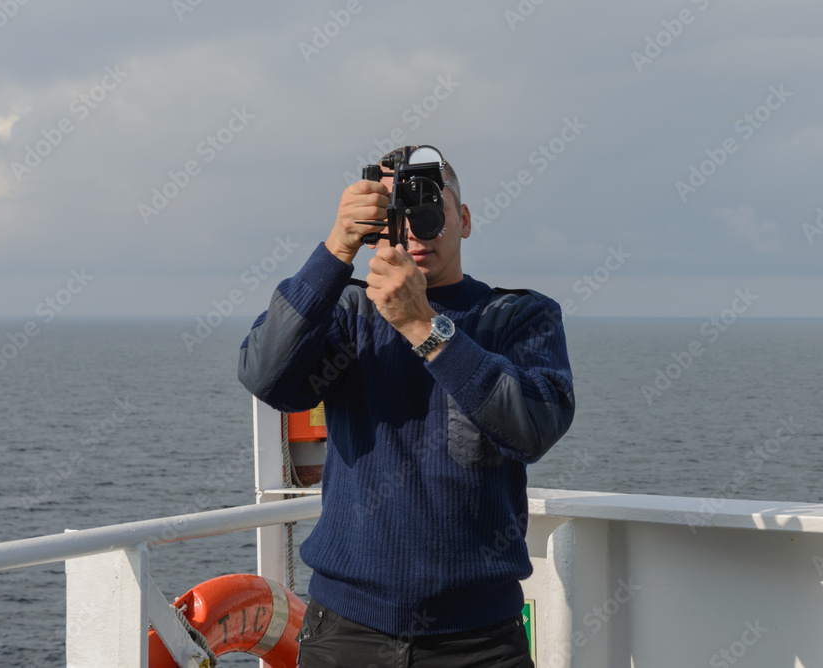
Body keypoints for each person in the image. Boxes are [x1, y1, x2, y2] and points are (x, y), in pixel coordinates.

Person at [238, 146, 575, 667]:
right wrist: (336, 249)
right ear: (375, 226)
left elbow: (532, 427)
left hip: (478, 639)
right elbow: (267, 376)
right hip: (346, 629)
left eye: (430, 206)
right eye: (396, 212)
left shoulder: (517, 317)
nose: (415, 229)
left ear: (464, 219)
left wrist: (424, 327)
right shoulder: (350, 312)